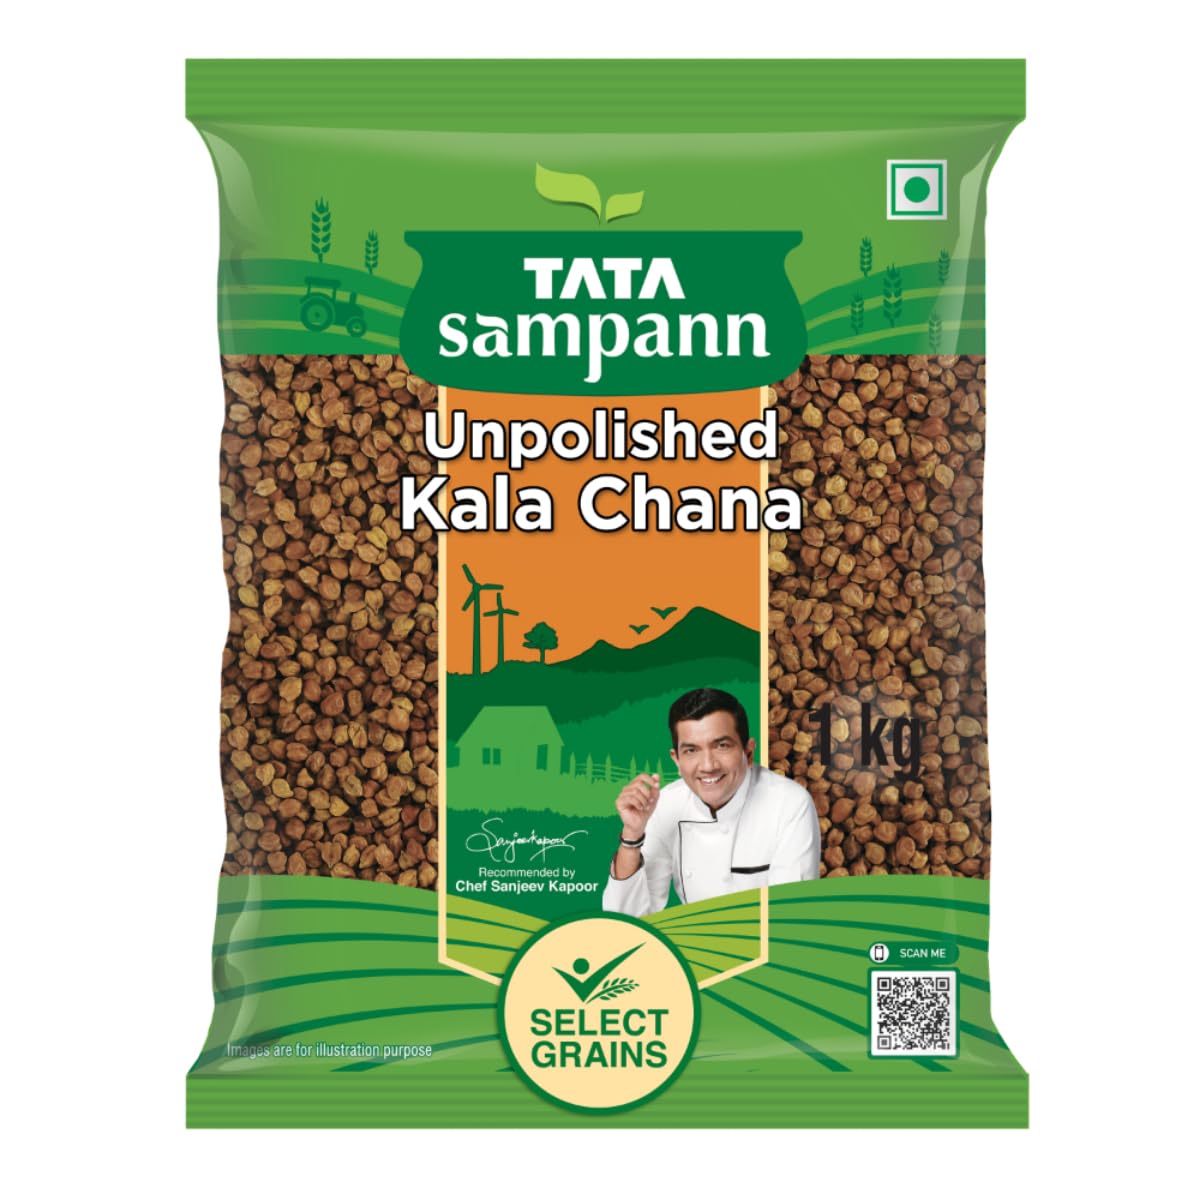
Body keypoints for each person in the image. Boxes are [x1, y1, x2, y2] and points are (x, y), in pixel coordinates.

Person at [602, 687, 820, 916]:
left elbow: (792, 915)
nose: (708, 765)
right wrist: (632, 835)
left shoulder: (789, 804)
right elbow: (625, 920)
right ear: (676, 760)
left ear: (748, 752)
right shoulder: (666, 803)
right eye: (691, 750)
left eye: (722, 746)